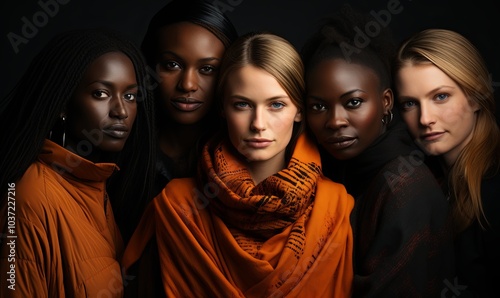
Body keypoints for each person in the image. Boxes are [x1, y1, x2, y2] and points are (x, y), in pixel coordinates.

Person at [122, 32, 354, 297]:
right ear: (222, 108)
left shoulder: (334, 207)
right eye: (242, 104)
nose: (258, 123)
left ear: (299, 109)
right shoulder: (178, 206)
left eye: (276, 105)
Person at [301, 7, 455, 297]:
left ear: (386, 102)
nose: (335, 121)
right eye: (319, 106)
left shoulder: (404, 186)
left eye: (354, 102)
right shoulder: (336, 174)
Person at [0, 28, 155, 297]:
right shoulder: (29, 196)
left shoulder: (98, 186)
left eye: (130, 96)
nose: (120, 111)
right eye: (101, 93)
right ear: (63, 104)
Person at [394, 28, 500, 297]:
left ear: (475, 96)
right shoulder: (428, 182)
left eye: (440, 96)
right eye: (409, 104)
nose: (425, 118)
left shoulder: (492, 189)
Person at [141, 0, 238, 196]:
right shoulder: (121, 150)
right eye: (172, 65)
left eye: (207, 69)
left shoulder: (245, 153)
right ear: (150, 65)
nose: (187, 84)